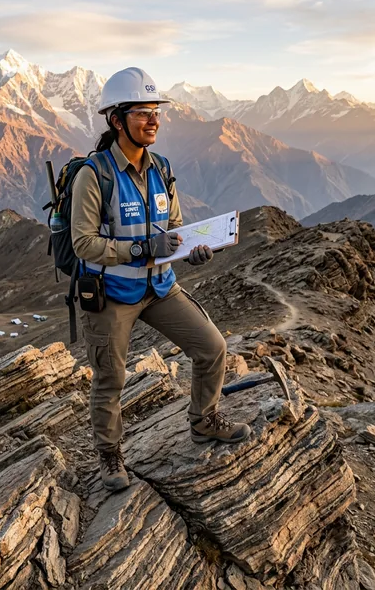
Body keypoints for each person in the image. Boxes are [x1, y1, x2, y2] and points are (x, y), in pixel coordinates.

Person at [71, 67, 250, 492]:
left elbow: (173, 228)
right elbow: (83, 243)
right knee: (110, 378)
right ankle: (110, 455)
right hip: (112, 293)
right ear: (117, 120)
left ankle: (204, 421)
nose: (154, 120)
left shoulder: (162, 169)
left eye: (156, 112)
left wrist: (193, 249)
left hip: (161, 287)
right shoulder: (93, 175)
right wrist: (138, 250)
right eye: (142, 112)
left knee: (212, 347)